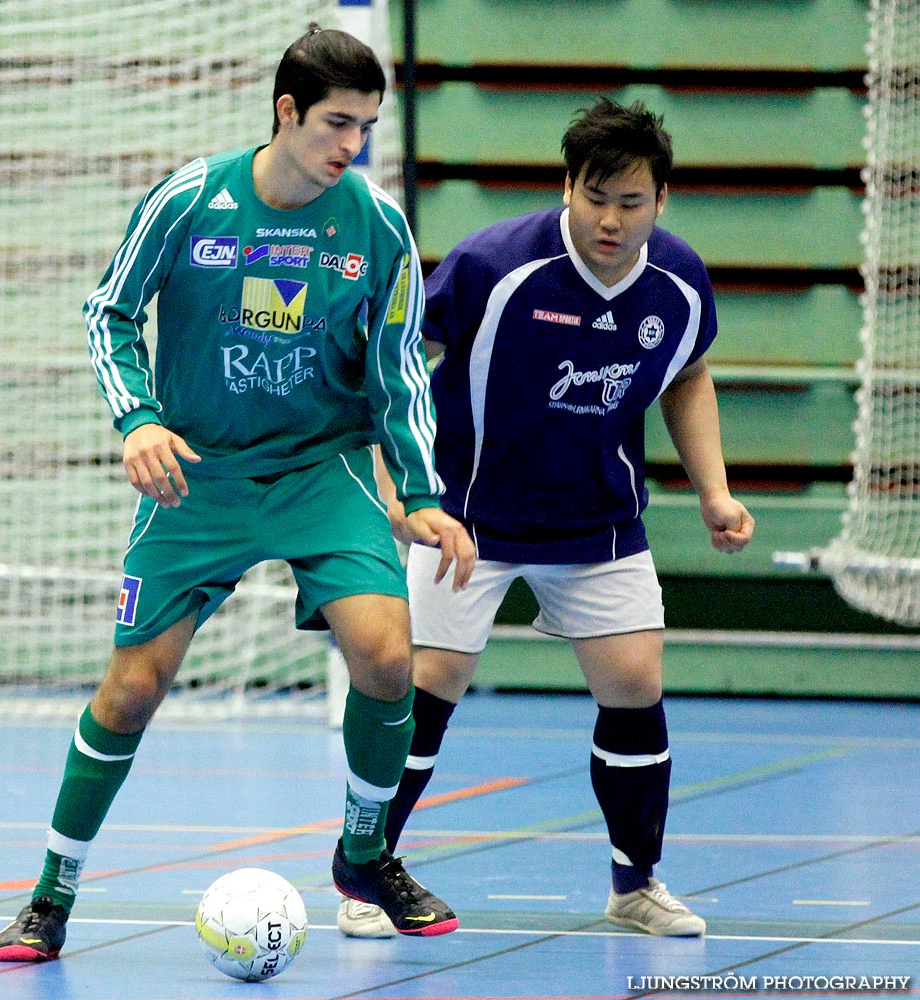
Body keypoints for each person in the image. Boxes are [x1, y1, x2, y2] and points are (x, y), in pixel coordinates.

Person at [0, 24, 476, 962]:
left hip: (318, 470)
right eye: (338, 123)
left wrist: (418, 490)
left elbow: (397, 369)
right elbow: (110, 310)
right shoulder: (189, 199)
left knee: (384, 656)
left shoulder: (375, 227)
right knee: (133, 691)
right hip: (197, 476)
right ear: (287, 112)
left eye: (368, 127)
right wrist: (137, 419)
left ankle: (365, 854)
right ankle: (50, 896)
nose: (354, 147)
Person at [337, 96, 754, 940]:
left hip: (596, 523)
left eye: (630, 202)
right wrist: (395, 483)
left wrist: (713, 489)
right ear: (567, 187)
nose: (610, 218)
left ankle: (634, 884)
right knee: (428, 689)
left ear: (660, 202)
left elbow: (686, 376)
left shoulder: (676, 282)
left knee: (634, 685)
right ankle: (363, 876)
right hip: (466, 517)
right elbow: (397, 358)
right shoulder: (494, 264)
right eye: (594, 196)